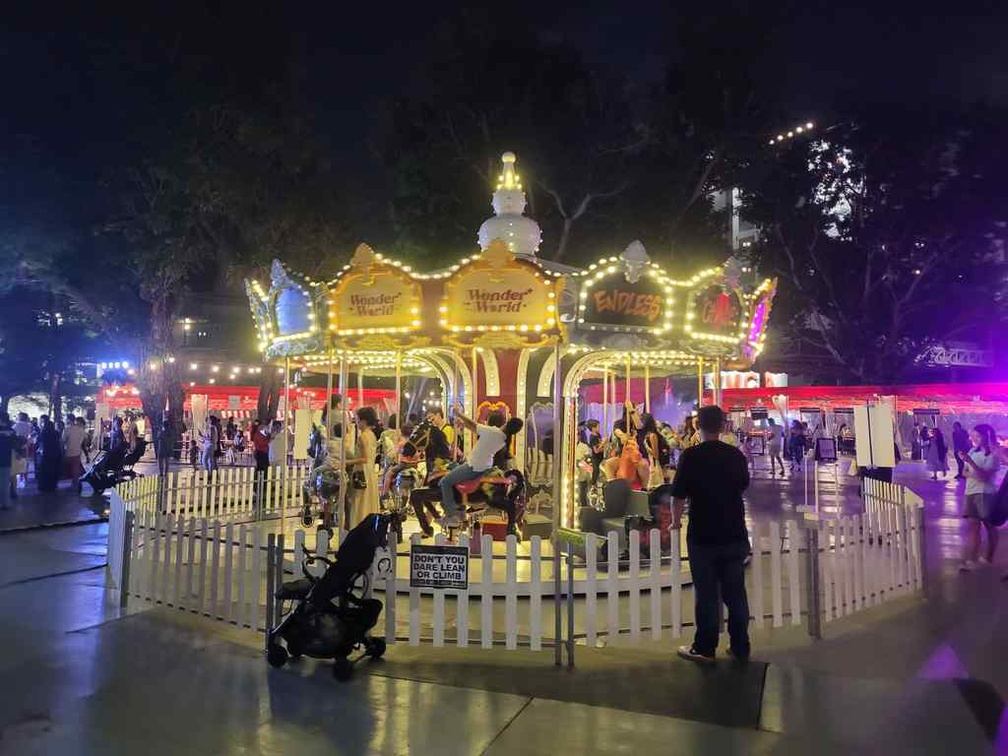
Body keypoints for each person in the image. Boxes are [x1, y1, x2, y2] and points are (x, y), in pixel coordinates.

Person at [672, 405, 751, 664]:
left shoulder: (691, 456)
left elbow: (679, 495)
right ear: (724, 425)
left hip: (703, 532)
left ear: (698, 425)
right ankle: (740, 645)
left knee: (706, 593)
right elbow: (742, 487)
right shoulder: (735, 456)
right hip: (734, 532)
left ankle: (705, 647)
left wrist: (675, 522)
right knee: (735, 593)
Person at [438, 408, 522, 527]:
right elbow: (472, 427)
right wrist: (462, 424)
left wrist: (458, 414)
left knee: (445, 482)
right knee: (452, 467)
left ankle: (451, 515)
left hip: (473, 466)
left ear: (507, 422)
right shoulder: (503, 439)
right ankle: (460, 508)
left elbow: (473, 425)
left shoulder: (493, 432)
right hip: (484, 466)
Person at [958, 424, 1001, 571]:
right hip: (970, 492)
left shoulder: (994, 455)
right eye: (972, 436)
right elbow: (964, 473)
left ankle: (989, 557)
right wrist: (973, 470)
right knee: (973, 527)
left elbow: (984, 477)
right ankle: (972, 560)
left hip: (986, 494)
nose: (973, 439)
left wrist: (971, 463)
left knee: (990, 527)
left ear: (986, 436)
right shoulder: (972, 451)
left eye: (977, 436)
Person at [346, 406, 380, 529]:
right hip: (370, 472)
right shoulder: (372, 435)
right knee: (368, 501)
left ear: (364, 421)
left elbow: (364, 458)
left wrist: (347, 462)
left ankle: (359, 526)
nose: (357, 423)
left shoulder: (363, 436)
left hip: (361, 472)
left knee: (360, 502)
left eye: (358, 420)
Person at [35, 415, 61, 492]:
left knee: (45, 470)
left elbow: (40, 442)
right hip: (56, 453)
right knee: (54, 470)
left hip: (46, 453)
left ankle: (44, 486)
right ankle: (53, 485)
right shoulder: (56, 433)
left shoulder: (44, 432)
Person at [62, 415, 87, 492]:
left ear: (69, 420)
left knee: (66, 469)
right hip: (77, 452)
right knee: (75, 469)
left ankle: (71, 484)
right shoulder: (82, 430)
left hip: (68, 452)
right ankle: (75, 484)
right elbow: (84, 442)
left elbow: (63, 441)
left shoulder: (67, 430)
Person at [0, 413, 16, 508]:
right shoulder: (11, 431)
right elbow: (15, 444)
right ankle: (5, 503)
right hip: (6, 458)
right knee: (5, 481)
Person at [12, 412, 31, 491]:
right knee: (24, 463)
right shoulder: (28, 426)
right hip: (25, 446)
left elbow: (13, 435)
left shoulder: (16, 425)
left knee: (16, 463)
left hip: (17, 447)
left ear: (20, 417)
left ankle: (16, 481)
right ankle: (25, 480)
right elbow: (28, 436)